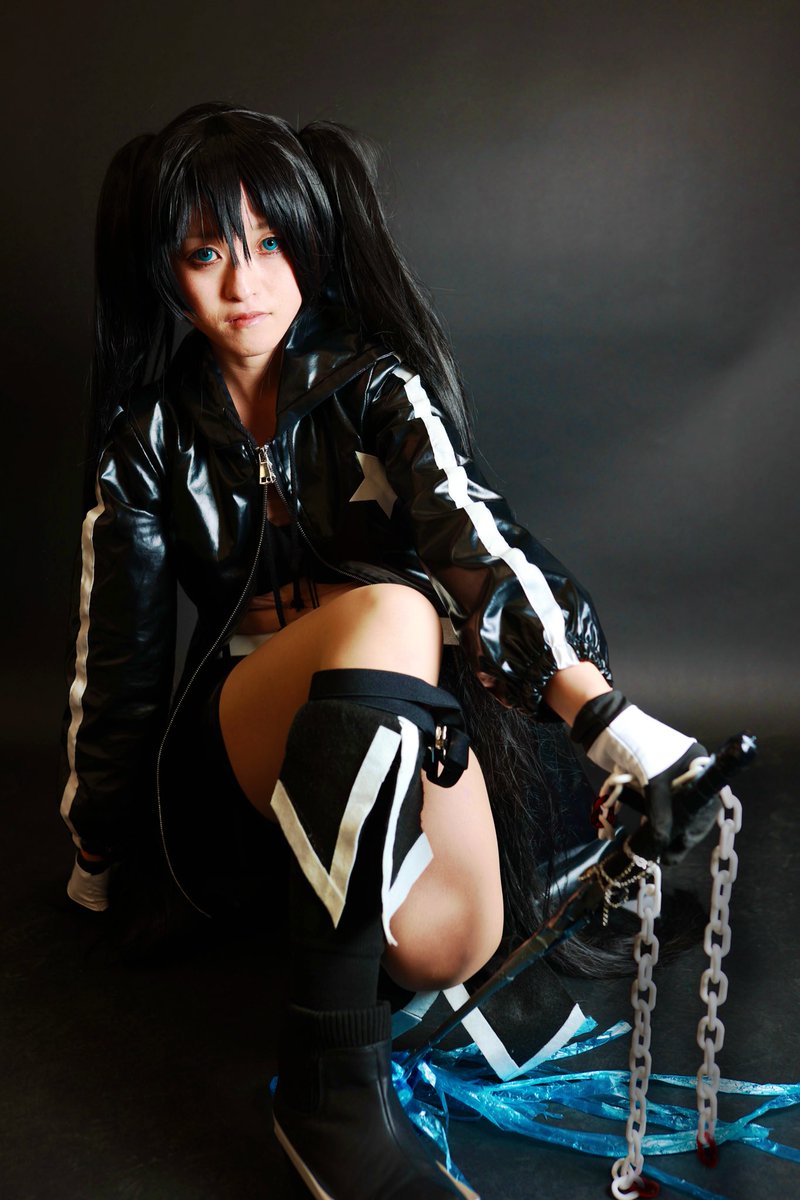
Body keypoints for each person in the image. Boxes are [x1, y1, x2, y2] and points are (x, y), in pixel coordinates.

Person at [59, 103, 718, 1200]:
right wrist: (97, 851)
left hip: (395, 725)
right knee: (398, 611)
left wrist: (607, 722)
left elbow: (482, 547)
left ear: (312, 243)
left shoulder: (375, 387)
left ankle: (342, 943)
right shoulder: (149, 443)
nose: (246, 283)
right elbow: (118, 669)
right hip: (241, 734)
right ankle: (328, 1093)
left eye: (272, 243)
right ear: (165, 270)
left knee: (450, 943)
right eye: (207, 253)